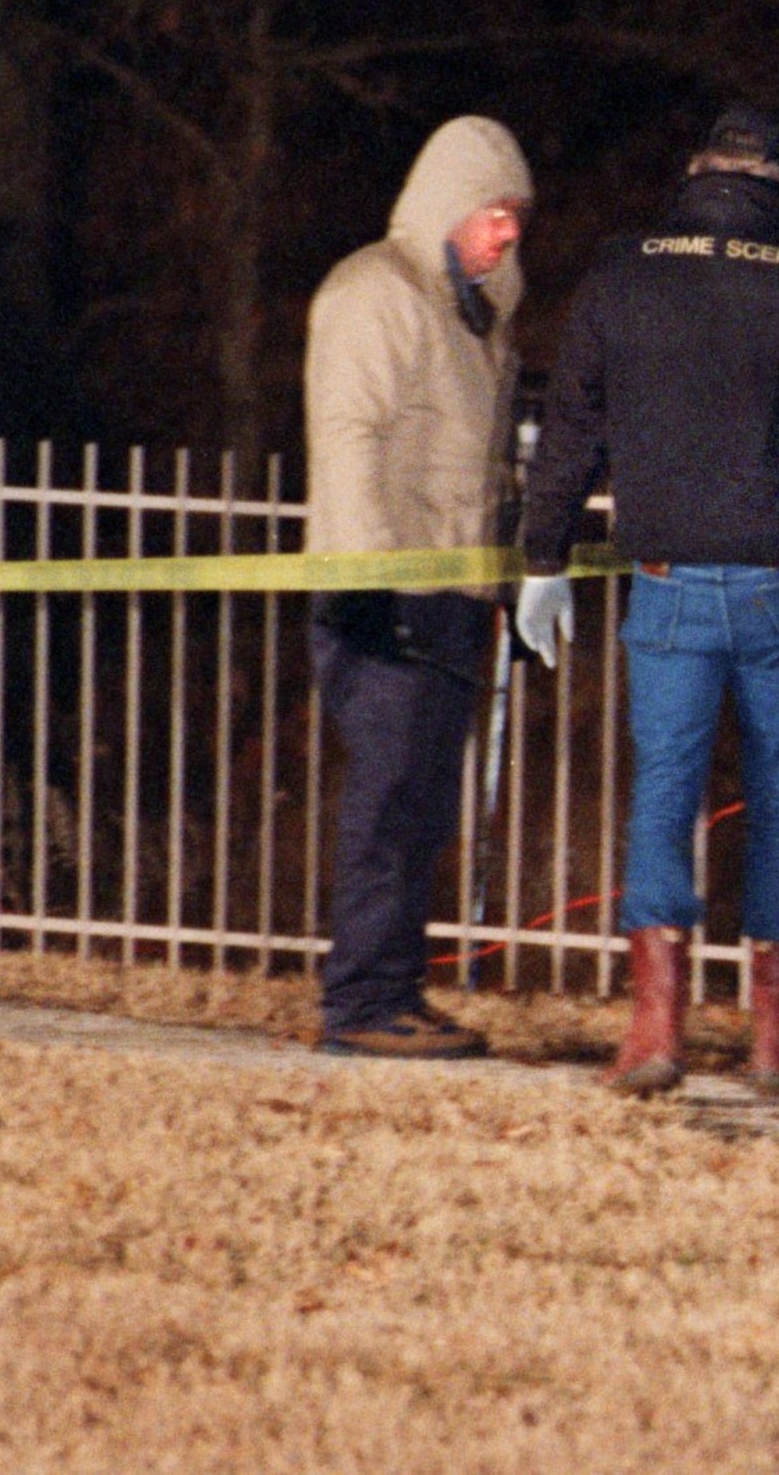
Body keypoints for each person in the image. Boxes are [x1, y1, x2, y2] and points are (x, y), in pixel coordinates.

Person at [516, 105, 779, 1099]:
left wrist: (543, 556)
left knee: (664, 791)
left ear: (697, 173)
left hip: (664, 580)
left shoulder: (623, 271)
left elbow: (568, 426)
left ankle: (653, 1031)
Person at [304, 114, 533, 1059]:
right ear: (446, 206)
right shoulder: (376, 294)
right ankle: (360, 1003)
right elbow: (349, 435)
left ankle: (394, 987)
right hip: (389, 590)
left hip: (452, 591)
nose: (509, 230)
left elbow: (474, 462)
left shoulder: (475, 316)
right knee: (390, 797)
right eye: (493, 212)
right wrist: (364, 580)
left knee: (425, 800)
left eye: (518, 214)